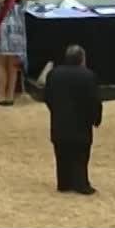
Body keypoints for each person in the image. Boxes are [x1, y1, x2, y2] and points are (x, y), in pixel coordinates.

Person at [44, 45, 103, 195]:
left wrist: (56, 111)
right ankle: (81, 183)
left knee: (61, 153)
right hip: (81, 124)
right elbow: (94, 101)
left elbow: (47, 97)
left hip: (59, 122)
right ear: (82, 59)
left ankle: (64, 183)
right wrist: (95, 119)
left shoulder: (53, 74)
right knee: (80, 154)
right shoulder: (88, 76)